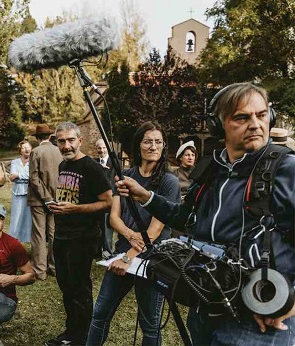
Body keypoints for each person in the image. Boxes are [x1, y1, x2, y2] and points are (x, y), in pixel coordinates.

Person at [116, 83, 295, 345]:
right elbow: (187, 219)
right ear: (217, 125)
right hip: (205, 306)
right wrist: (146, 197)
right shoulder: (212, 168)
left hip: (257, 321)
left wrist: (290, 302)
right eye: (242, 117)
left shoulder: (287, 169)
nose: (256, 124)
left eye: (262, 114)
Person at [87, 122, 180, 346]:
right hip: (122, 253)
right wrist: (130, 238)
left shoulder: (169, 182)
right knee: (100, 314)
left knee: (149, 323)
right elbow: (114, 218)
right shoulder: (124, 175)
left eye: (158, 142)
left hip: (153, 260)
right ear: (138, 145)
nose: (153, 146)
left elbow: (155, 231)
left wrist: (129, 258)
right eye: (148, 141)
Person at [45, 122, 113, 346]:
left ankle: (83, 338)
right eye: (61, 141)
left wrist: (75, 209)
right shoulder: (64, 166)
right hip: (62, 235)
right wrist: (58, 206)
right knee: (66, 286)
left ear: (80, 141)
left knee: (80, 288)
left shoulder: (91, 167)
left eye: (70, 140)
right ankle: (71, 332)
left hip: (83, 237)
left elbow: (107, 202)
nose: (66, 145)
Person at [0, 203, 35, 346]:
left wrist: (12, 279)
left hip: (5, 302)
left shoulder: (12, 244)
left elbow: (31, 276)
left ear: (3, 221)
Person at [27, 123, 62, 281]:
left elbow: (34, 179)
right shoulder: (59, 151)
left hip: (39, 200)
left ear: (38, 137)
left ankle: (40, 271)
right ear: (49, 136)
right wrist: (53, 198)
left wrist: (46, 198)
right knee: (54, 233)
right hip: (57, 199)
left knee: (39, 235)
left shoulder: (36, 152)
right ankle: (55, 267)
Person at [94, 138, 116, 254]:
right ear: (96, 149)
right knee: (96, 227)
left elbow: (116, 181)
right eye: (99, 148)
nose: (102, 150)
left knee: (107, 227)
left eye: (104, 148)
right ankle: (97, 251)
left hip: (109, 199)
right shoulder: (94, 162)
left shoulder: (114, 163)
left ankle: (107, 252)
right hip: (96, 200)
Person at [8, 140, 32, 242]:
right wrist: (24, 176)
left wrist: (19, 175)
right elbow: (12, 177)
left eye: (28, 147)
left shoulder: (34, 161)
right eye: (23, 148)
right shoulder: (15, 162)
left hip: (30, 192)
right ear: (20, 150)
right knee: (16, 217)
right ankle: (14, 241)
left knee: (28, 218)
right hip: (17, 192)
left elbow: (32, 176)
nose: (26, 150)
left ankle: (29, 240)